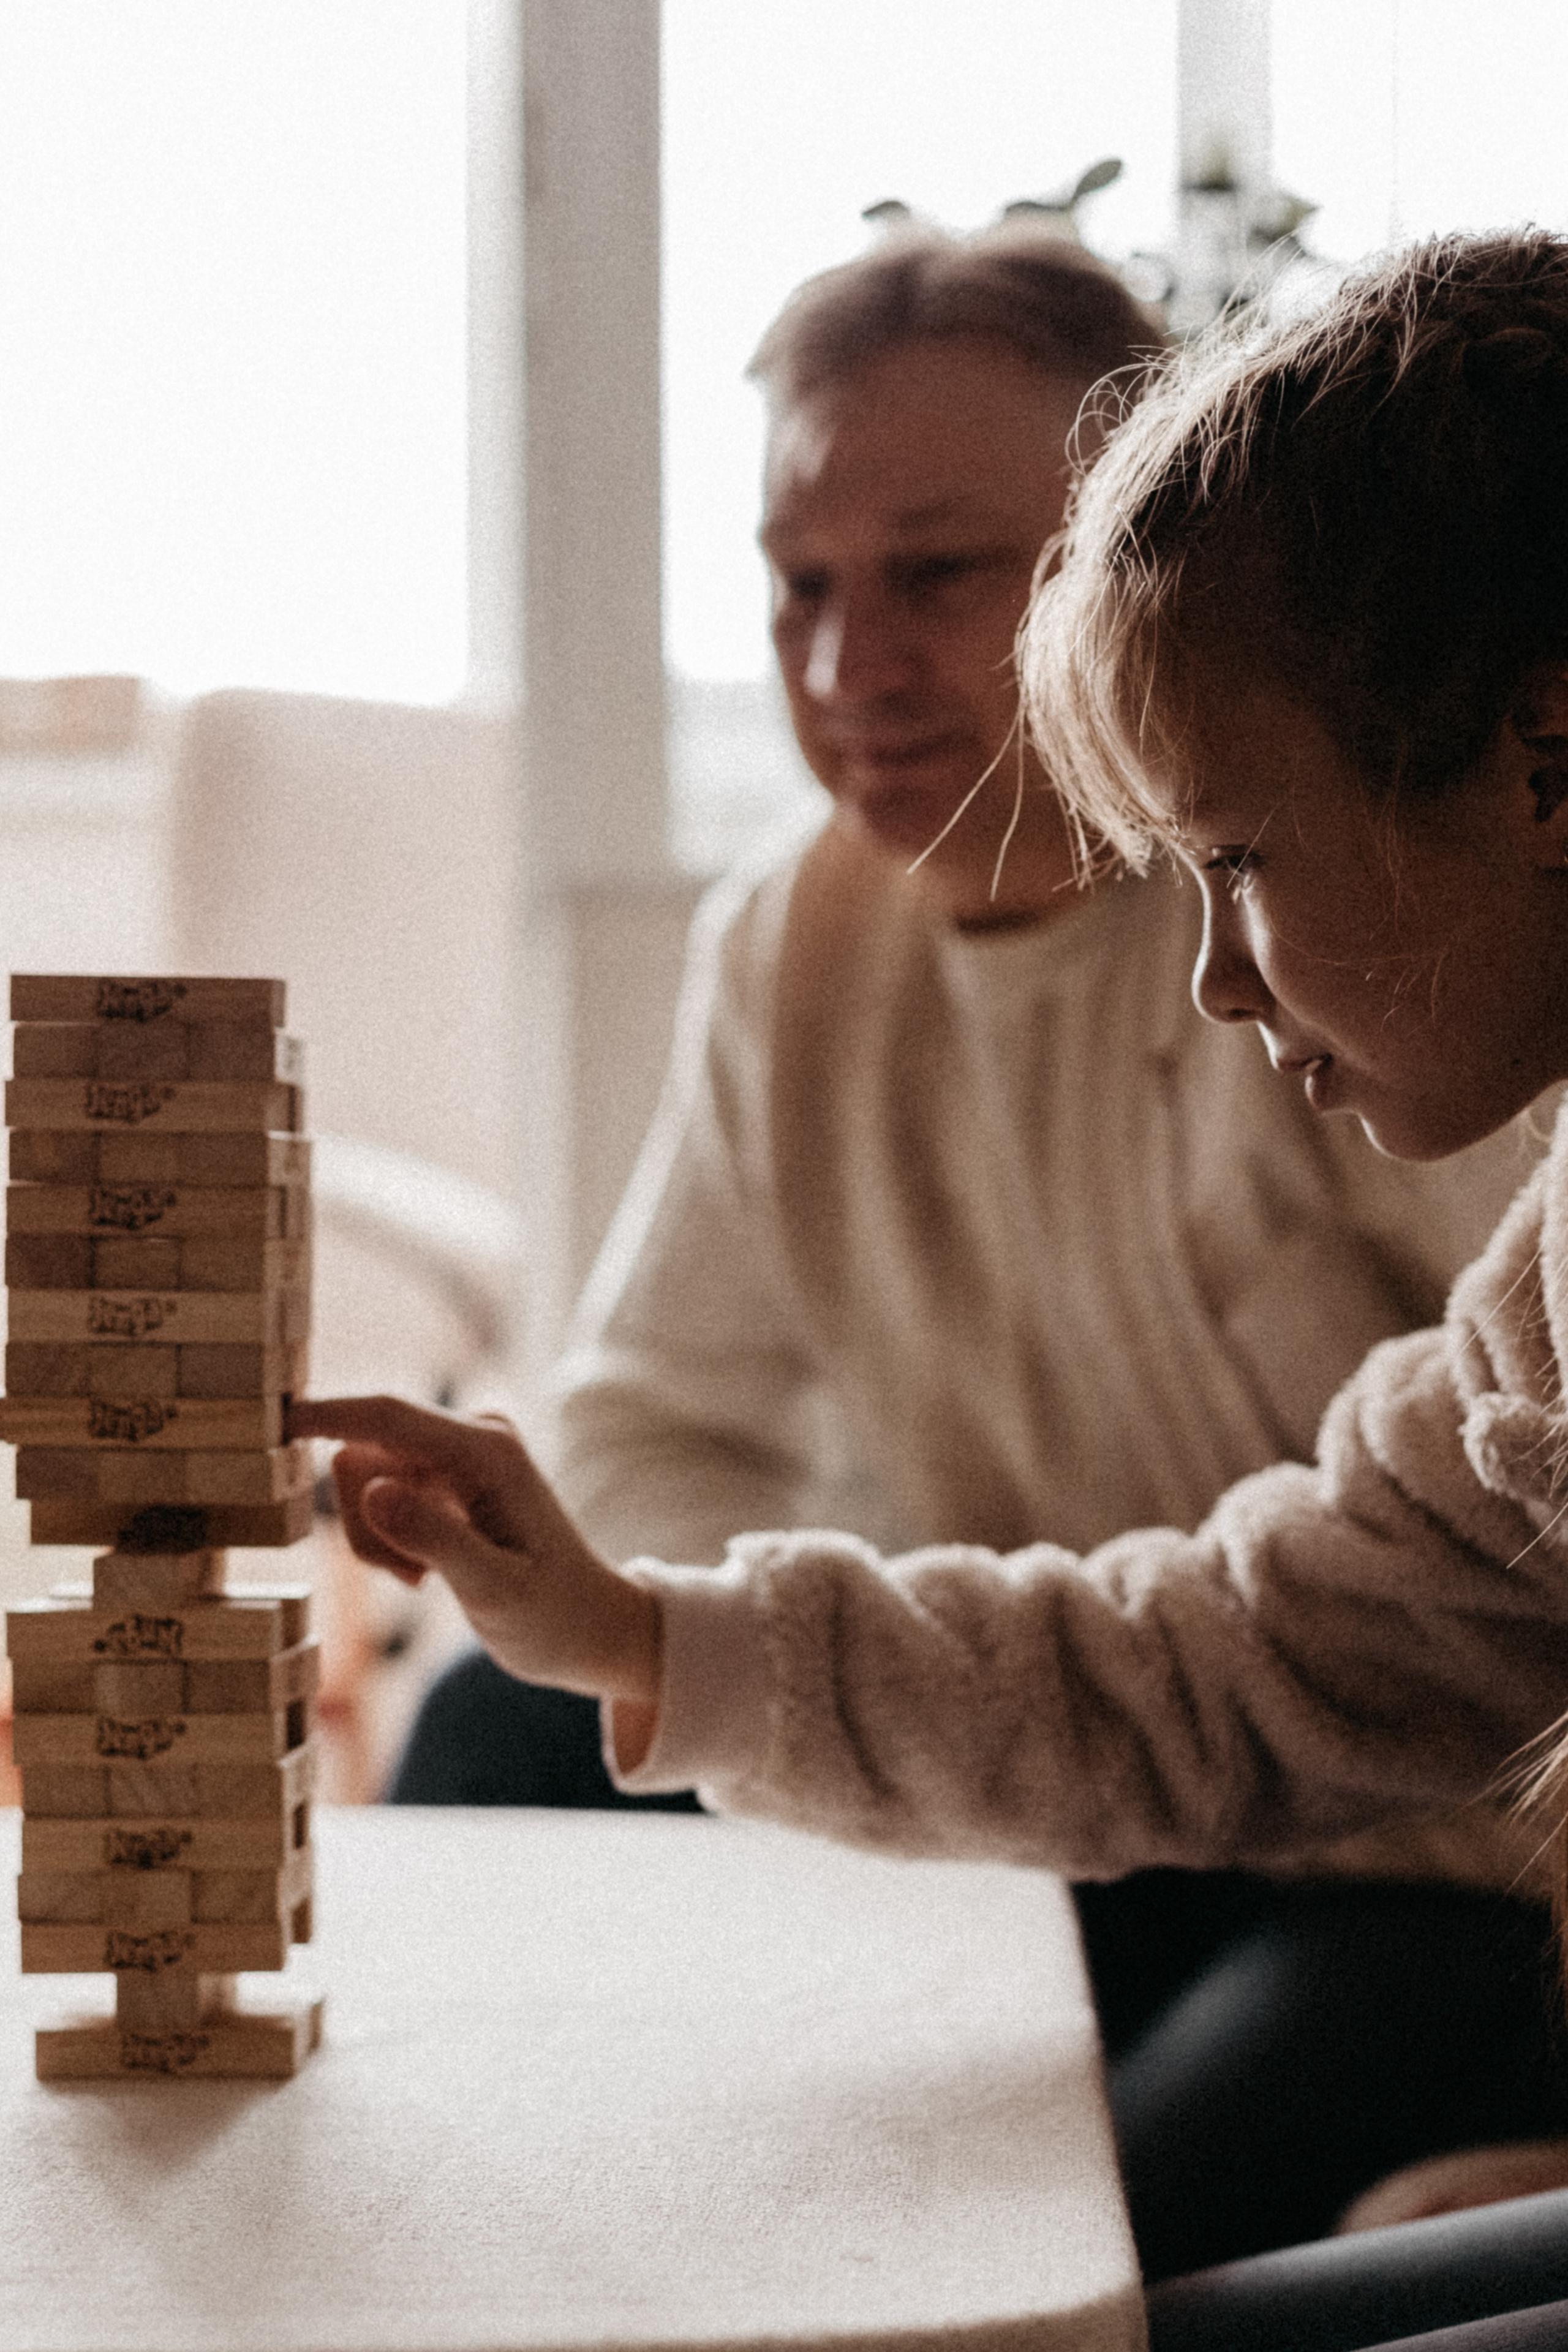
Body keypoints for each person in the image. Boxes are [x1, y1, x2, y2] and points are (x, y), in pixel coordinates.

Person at [327, 225, 1568, 2282]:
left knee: (1082, 2255)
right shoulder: (802, 946)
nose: (1222, 985)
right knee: (500, 1727)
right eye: (799, 587)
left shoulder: (1436, 1042)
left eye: (1235, 861)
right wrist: (645, 1633)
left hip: (1410, 1870)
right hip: (1170, 1730)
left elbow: (1287, 1659)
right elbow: (1254, 1648)